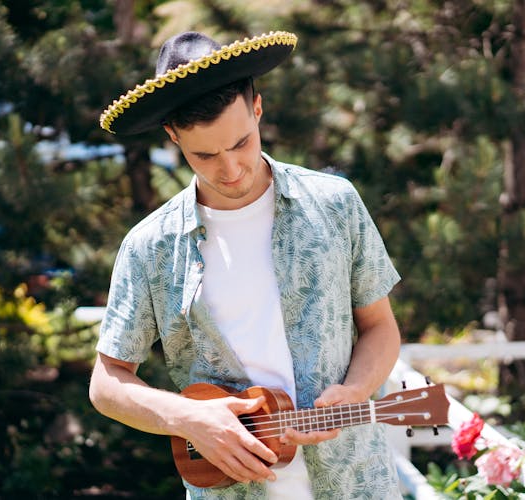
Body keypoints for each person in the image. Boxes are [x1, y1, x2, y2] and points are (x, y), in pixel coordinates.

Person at [89, 30, 403, 499]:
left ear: (258, 110)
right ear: (172, 136)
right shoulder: (149, 246)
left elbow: (380, 327)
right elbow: (106, 383)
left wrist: (356, 389)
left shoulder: (335, 204)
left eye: (241, 143)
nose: (230, 169)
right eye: (205, 155)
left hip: (355, 483)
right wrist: (187, 417)